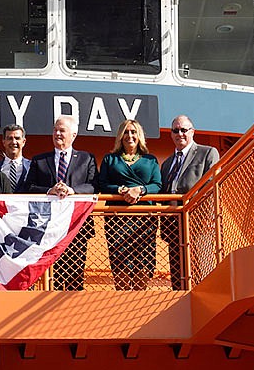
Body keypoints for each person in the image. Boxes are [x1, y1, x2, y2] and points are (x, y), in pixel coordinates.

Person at [23, 115, 98, 290]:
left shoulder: (87, 158)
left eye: (62, 130)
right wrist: (50, 191)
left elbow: (94, 186)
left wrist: (73, 191)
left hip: (76, 228)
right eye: (55, 130)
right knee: (49, 278)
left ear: (74, 134)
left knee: (75, 278)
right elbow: (29, 187)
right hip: (47, 229)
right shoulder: (40, 160)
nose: (57, 133)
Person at [98, 120, 162, 291]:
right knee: (120, 260)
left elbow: (157, 185)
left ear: (139, 135)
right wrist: (121, 190)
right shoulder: (110, 159)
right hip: (117, 218)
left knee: (143, 259)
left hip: (144, 218)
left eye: (133, 132)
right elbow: (102, 184)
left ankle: (139, 298)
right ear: (120, 136)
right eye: (126, 132)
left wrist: (140, 190)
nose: (130, 136)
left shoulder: (150, 160)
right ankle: (123, 295)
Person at [160, 114, 219, 290]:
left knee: (200, 271)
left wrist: (206, 219)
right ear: (171, 134)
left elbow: (211, 187)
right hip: (173, 226)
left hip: (197, 223)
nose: (180, 134)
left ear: (192, 131)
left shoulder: (207, 152)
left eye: (184, 130)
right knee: (178, 275)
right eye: (175, 130)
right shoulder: (167, 163)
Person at [0, 124, 31, 193]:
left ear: (23, 142)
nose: (13, 142)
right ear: (4, 142)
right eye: (9, 138)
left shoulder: (32, 166)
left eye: (17, 138)